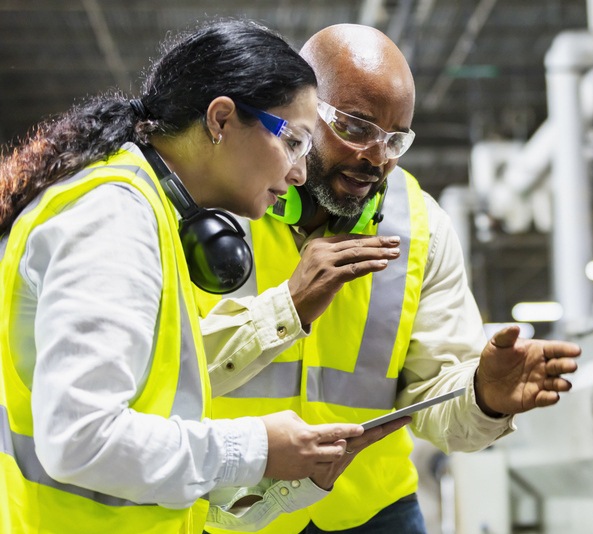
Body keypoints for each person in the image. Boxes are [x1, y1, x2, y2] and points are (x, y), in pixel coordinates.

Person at [0, 19, 407, 534]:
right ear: (220, 119)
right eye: (295, 143)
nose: (301, 174)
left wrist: (287, 472)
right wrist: (255, 446)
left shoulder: (149, 213)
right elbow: (83, 441)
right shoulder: (113, 219)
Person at [198, 23, 583, 534]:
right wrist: (285, 308)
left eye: (395, 138)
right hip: (225, 505)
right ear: (304, 110)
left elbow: (435, 401)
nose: (376, 157)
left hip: (373, 512)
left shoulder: (421, 228)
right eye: (355, 127)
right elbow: (163, 372)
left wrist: (482, 395)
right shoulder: (214, 205)